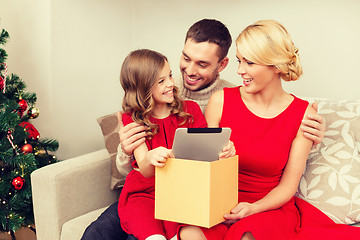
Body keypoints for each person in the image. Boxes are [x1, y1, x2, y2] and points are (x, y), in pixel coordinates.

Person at [81, 19, 326, 240]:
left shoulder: (225, 97)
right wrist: (126, 152)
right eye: (186, 58)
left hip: (216, 198)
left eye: (202, 63)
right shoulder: (160, 85)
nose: (188, 70)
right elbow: (142, 157)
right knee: (97, 233)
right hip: (155, 190)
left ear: (221, 65)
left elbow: (204, 155)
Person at [179, 19, 360, 240]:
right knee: (188, 233)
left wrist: (253, 208)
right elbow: (202, 166)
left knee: (246, 237)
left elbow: (288, 185)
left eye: (250, 63)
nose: (240, 70)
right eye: (239, 61)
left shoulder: (304, 115)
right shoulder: (221, 100)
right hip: (219, 204)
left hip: (267, 208)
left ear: (275, 65)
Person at [116, 49, 235, 240]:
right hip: (145, 193)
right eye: (161, 81)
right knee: (152, 235)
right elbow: (145, 169)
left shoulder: (191, 110)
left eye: (170, 75)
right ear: (143, 88)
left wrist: (224, 151)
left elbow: (207, 155)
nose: (171, 83)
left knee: (179, 232)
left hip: (182, 189)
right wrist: (150, 157)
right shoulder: (132, 118)